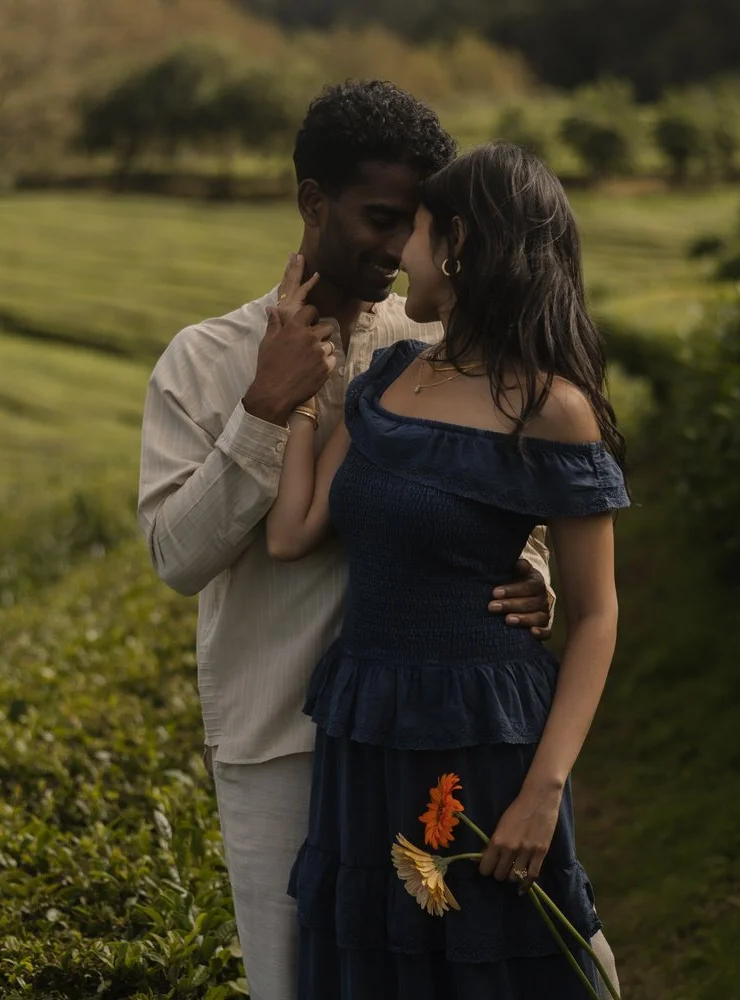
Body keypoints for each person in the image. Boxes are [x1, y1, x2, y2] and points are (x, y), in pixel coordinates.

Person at [137, 82, 596, 999]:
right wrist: (266, 408)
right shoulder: (203, 360)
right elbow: (177, 559)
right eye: (379, 217)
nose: (398, 248)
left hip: (441, 729)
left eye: (416, 224)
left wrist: (529, 570)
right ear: (312, 202)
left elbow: (508, 494)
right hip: (282, 743)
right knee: (300, 983)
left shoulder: (425, 344)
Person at [264, 140, 628, 997]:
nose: (400, 253)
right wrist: (303, 396)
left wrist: (544, 791)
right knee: (377, 957)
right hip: (366, 721)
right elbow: (294, 532)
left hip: (482, 731)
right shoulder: (390, 377)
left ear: (458, 243)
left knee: (489, 960)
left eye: (418, 230)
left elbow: (599, 616)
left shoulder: (552, 409)